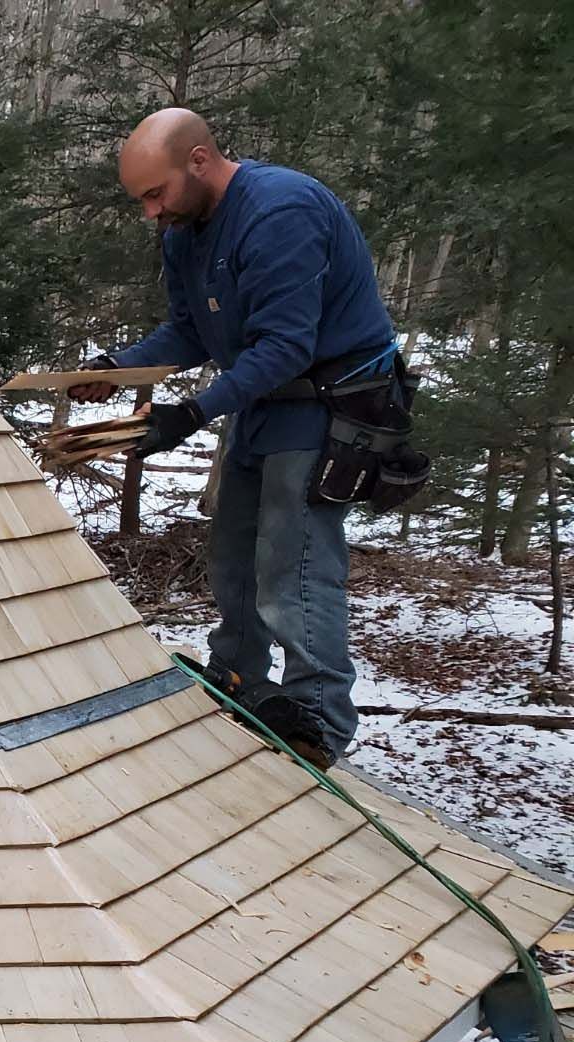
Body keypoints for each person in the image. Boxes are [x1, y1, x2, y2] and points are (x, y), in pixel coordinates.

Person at [71, 109, 398, 767]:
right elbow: (192, 331)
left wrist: (189, 414)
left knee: (294, 564)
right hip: (262, 404)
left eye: (155, 194)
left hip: (328, 407)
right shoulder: (184, 232)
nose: (150, 212)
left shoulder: (281, 212)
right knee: (233, 557)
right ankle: (241, 682)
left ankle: (317, 723)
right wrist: (117, 367)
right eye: (141, 200)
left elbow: (285, 345)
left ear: (198, 160)